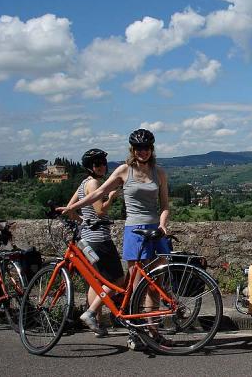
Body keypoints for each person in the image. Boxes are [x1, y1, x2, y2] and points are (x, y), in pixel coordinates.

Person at [59, 129, 171, 349]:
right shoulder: (123, 171)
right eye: (139, 148)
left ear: (152, 149)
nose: (143, 151)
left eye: (146, 148)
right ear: (133, 150)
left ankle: (153, 331)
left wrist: (163, 224)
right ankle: (135, 333)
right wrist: (72, 207)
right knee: (135, 285)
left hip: (154, 230)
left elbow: (165, 205)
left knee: (155, 284)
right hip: (134, 230)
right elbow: (97, 193)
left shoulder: (159, 173)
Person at [66, 149, 124, 338]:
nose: (102, 166)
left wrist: (83, 221)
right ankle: (91, 313)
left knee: (96, 280)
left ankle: (97, 324)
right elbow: (100, 211)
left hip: (87, 238)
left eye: (103, 163)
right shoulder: (94, 183)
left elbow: (70, 209)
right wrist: (113, 196)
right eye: (97, 164)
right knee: (117, 280)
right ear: (90, 167)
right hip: (100, 239)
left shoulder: (84, 183)